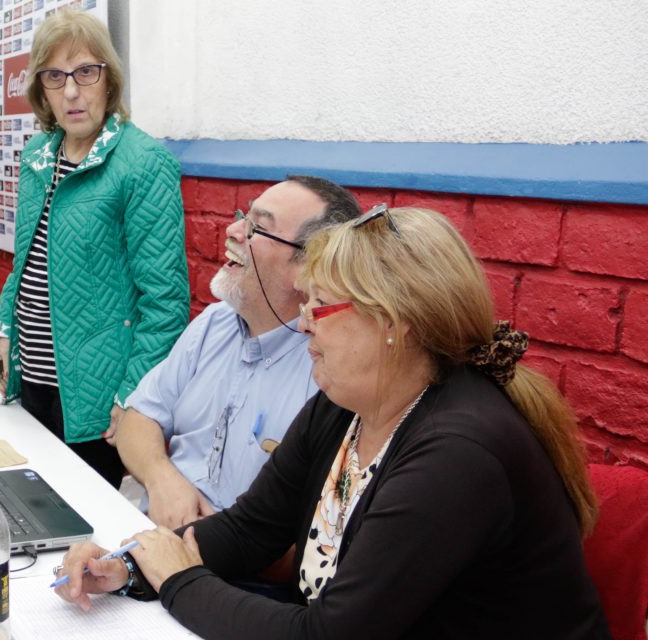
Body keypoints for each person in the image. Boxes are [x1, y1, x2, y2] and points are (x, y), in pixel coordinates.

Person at [54, 206, 610, 639]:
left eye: (319, 306)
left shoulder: (457, 452)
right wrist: (131, 566)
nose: (302, 324)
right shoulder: (348, 402)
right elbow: (251, 530)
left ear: (394, 323)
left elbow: (328, 636)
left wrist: (177, 580)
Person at [0, 9, 188, 488]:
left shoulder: (143, 164)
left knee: (84, 535)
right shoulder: (38, 156)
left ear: (109, 80)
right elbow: (27, 262)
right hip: (31, 375)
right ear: (41, 90)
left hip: (99, 399)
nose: (72, 91)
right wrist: (5, 328)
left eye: (86, 72)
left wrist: (133, 395)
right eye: (55, 77)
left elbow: (166, 304)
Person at [112, 177, 360, 529]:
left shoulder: (328, 368)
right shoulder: (216, 321)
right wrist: (161, 479)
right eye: (244, 215)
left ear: (307, 266)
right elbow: (139, 417)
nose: (233, 230)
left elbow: (316, 537)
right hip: (152, 545)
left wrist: (206, 542)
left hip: (238, 574)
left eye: (257, 227)